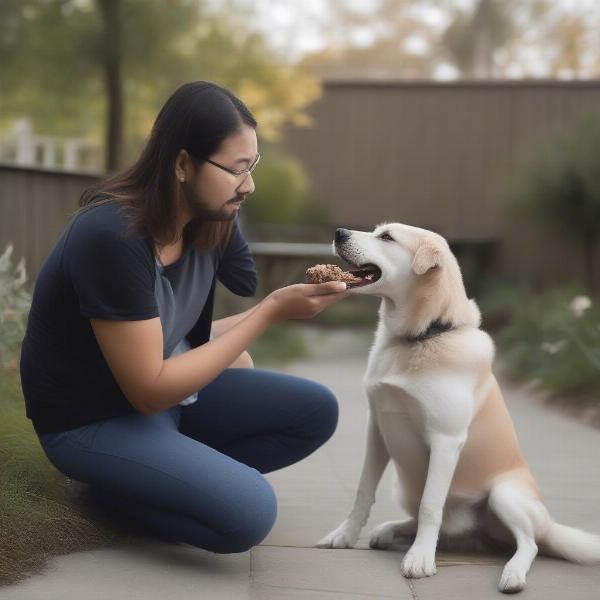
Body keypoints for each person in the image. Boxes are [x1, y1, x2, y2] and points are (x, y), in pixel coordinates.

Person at [19, 81, 349, 553]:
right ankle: (109, 497)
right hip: (93, 422)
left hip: (164, 401)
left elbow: (179, 335)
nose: (249, 184)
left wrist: (272, 311)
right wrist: (272, 311)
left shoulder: (211, 221)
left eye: (252, 166)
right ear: (181, 164)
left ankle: (160, 479)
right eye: (237, 169)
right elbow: (149, 388)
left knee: (315, 410)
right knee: (250, 513)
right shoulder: (111, 236)